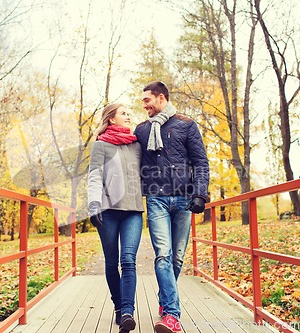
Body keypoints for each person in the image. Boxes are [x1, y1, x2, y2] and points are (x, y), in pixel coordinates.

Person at [134, 81, 209, 333]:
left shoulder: (186, 124)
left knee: (177, 258)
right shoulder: (142, 130)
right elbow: (125, 153)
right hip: (155, 198)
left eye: (147, 100)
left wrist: (200, 193)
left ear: (161, 98)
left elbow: (200, 161)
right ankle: (172, 315)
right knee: (163, 255)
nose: (143, 105)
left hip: (184, 199)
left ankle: (165, 300)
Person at [87, 103, 144, 333]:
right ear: (111, 119)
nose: (129, 116)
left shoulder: (137, 145)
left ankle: (128, 311)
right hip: (108, 212)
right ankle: (119, 307)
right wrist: (93, 205)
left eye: (130, 113)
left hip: (133, 211)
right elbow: (94, 177)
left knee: (128, 260)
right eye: (123, 113)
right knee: (112, 263)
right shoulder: (100, 146)